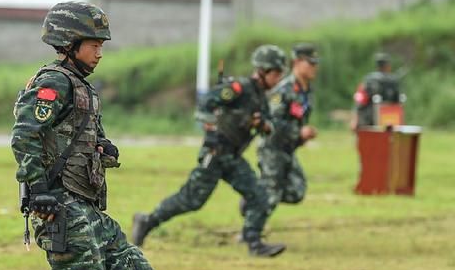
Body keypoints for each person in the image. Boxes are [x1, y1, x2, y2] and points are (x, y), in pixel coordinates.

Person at [0, 2, 221, 270]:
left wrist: (102, 149)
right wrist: (38, 189)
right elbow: (24, 136)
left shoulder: (83, 88)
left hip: (87, 209)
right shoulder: (52, 83)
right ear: (68, 42)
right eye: (93, 43)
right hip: (59, 207)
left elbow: (77, 138)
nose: (100, 52)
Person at [131, 45, 288, 257]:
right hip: (215, 153)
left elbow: (269, 126)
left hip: (233, 157)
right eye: (276, 73)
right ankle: (146, 221)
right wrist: (212, 128)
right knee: (191, 200)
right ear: (262, 70)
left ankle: (254, 243)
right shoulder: (238, 88)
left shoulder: (261, 97)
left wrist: (262, 125)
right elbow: (206, 103)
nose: (278, 79)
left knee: (259, 196)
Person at [247, 44, 320, 242]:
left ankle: (251, 199)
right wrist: (299, 132)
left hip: (288, 149)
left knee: (296, 191)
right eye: (310, 63)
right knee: (271, 194)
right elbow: (273, 123)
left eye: (315, 64)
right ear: (297, 62)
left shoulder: (306, 90)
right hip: (273, 148)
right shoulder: (284, 90)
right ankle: (250, 233)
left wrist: (302, 135)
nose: (314, 67)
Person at [351, 52, 401, 130]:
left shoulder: (368, 79)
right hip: (389, 122)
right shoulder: (393, 81)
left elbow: (360, 101)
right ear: (388, 65)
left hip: (368, 123)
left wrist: (355, 120)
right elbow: (398, 104)